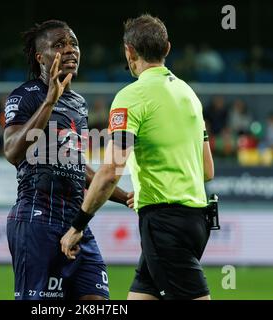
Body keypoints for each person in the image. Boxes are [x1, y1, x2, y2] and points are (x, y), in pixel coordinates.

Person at [61, 14, 215, 300]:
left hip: (164, 224)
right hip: (197, 221)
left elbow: (109, 172)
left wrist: (77, 226)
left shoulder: (131, 97)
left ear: (129, 52)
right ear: (167, 48)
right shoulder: (189, 94)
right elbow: (207, 170)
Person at [3, 20, 132, 300]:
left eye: (74, 43)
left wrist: (124, 196)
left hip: (75, 222)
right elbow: (12, 152)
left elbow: (74, 164)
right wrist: (49, 101)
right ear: (41, 57)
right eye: (59, 45)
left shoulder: (78, 104)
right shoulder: (24, 96)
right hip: (36, 219)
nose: (70, 50)